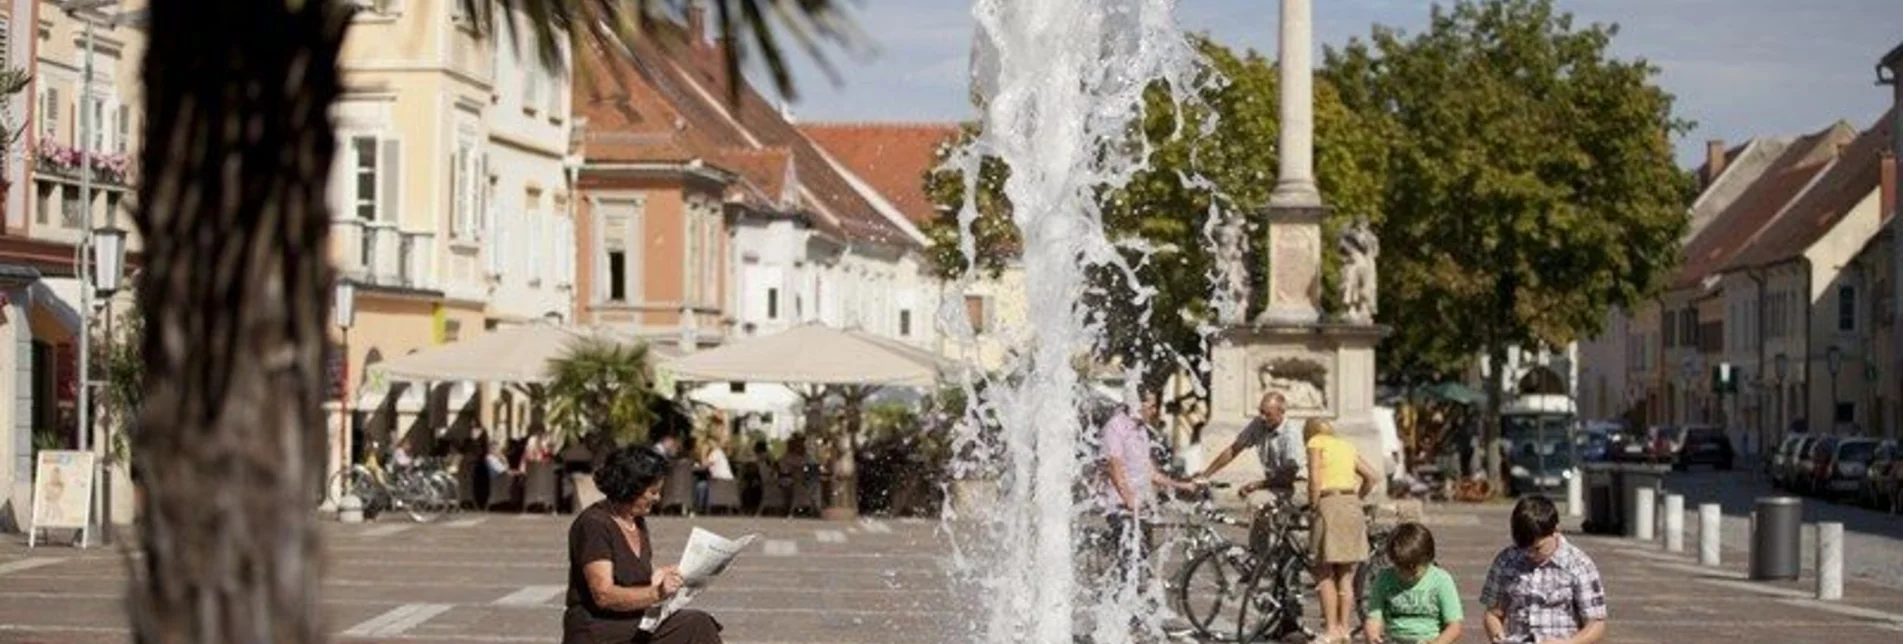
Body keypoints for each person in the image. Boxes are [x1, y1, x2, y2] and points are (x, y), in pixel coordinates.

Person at [564, 446, 723, 643]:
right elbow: (603, 594)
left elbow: (634, 575)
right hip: (597, 628)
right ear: (631, 488)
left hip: (631, 621)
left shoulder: (635, 522)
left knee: (696, 623)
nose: (657, 498)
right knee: (696, 625)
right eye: (653, 491)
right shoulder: (594, 524)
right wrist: (656, 593)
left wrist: (666, 574)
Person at [1100, 390, 1201, 589]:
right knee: (1130, 564)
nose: (1155, 411)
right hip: (1121, 506)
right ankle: (1124, 610)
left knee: (1141, 562)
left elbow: (1150, 472)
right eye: (1151, 406)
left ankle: (1131, 609)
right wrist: (1128, 498)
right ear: (1137, 404)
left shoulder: (1141, 430)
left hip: (1140, 507)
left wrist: (1183, 485)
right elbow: (1113, 464)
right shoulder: (1115, 427)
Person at [1479, 495, 1607, 644]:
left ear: (1555, 530)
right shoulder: (1506, 560)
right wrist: (1498, 636)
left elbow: (1596, 623)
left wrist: (1570, 643)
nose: (1530, 554)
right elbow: (1493, 613)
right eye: (1524, 548)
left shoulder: (1579, 564)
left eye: (1537, 548)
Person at [1195, 391, 1307, 553]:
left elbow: (1290, 474)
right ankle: (1262, 557)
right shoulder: (1259, 424)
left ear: (1281, 412)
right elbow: (1234, 449)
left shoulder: (1291, 433)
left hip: (1298, 485)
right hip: (1277, 483)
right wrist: (1206, 474)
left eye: (1267, 414)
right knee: (1262, 514)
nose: (1262, 417)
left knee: (1259, 503)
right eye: (1260, 411)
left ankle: (1262, 558)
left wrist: (1257, 485)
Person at [1305, 417, 1380, 644]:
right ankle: (1345, 629)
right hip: (1351, 505)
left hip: (1330, 504)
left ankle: (1330, 630)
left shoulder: (1315, 443)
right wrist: (1356, 498)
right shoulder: (1345, 446)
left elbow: (1315, 478)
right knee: (1345, 574)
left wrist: (1313, 505)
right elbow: (1372, 476)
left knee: (1324, 571)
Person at [1364, 522, 1463, 644]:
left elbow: (1454, 626)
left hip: (1431, 639)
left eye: (1413, 571)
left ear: (1428, 560)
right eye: (1400, 569)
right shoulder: (1384, 578)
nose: (1406, 576)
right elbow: (1374, 619)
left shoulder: (1441, 580)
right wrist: (1373, 637)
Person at [694, 430, 735, 513]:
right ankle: (701, 509)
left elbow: (704, 465)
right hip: (726, 483)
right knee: (703, 485)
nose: (709, 446)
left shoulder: (716, 453)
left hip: (720, 483)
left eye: (709, 444)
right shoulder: (719, 453)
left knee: (701, 486)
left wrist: (703, 452)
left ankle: (699, 509)